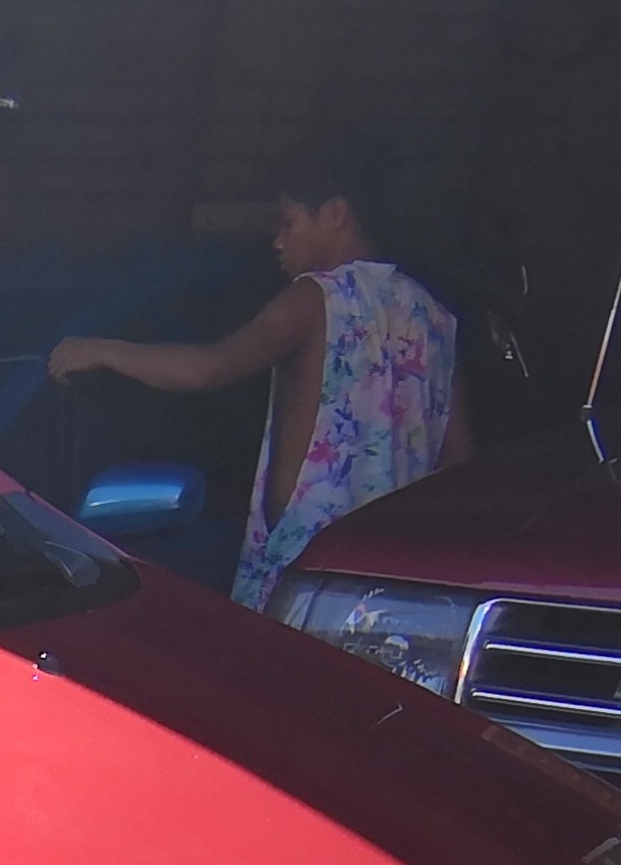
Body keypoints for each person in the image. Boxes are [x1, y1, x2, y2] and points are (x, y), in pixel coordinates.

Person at [50, 152, 467, 610]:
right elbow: (461, 459)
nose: (277, 242)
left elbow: (207, 368)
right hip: (395, 576)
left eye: (288, 223)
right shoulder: (432, 315)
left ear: (335, 215)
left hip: (308, 572)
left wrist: (103, 351)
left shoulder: (315, 298)